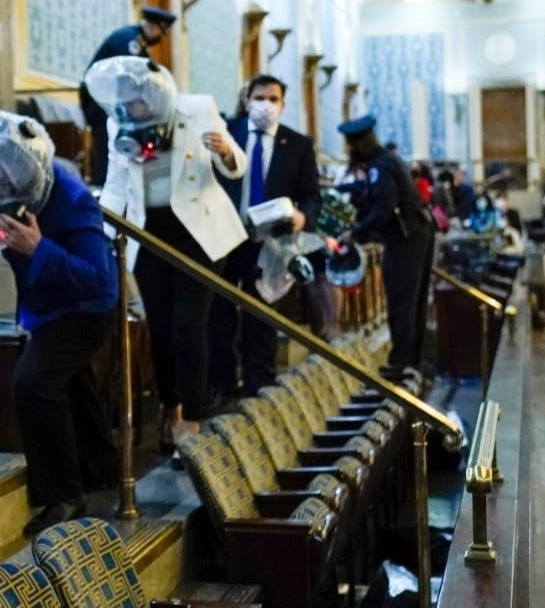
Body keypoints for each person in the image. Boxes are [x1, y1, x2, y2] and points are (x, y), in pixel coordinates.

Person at [0, 106, 119, 535]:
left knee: (33, 383)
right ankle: (100, 468)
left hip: (85, 309)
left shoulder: (71, 198)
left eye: (7, 169)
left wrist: (39, 249)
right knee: (72, 384)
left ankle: (63, 496)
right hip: (44, 304)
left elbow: (97, 280)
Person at [86, 56, 247, 451]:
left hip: (199, 231)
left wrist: (225, 150)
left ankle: (192, 421)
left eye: (137, 100)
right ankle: (170, 408)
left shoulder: (196, 108)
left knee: (188, 324)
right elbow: (116, 186)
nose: (131, 108)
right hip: (151, 233)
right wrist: (102, 235)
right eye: (124, 101)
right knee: (159, 327)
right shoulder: (117, 122)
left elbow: (237, 166)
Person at [208, 73, 321, 399]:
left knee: (263, 315)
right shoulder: (228, 133)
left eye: (273, 99)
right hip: (226, 236)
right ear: (247, 100)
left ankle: (260, 388)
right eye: (260, 98)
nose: (266, 105)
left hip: (270, 241)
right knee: (218, 314)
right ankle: (223, 386)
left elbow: (312, 195)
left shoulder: (298, 144)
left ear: (283, 105)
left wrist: (303, 216)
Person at [337, 115, 435, 369]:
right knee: (413, 300)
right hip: (416, 232)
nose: (348, 151)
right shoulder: (386, 162)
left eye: (349, 145)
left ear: (358, 144)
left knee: (401, 299)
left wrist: (356, 232)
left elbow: (384, 208)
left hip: (405, 237)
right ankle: (410, 361)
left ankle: (401, 363)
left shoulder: (380, 167)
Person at [79, 5, 177, 186]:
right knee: (107, 145)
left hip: (107, 101)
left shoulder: (135, 40)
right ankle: (104, 189)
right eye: (160, 33)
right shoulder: (130, 41)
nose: (160, 38)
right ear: (153, 27)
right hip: (100, 102)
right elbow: (130, 80)